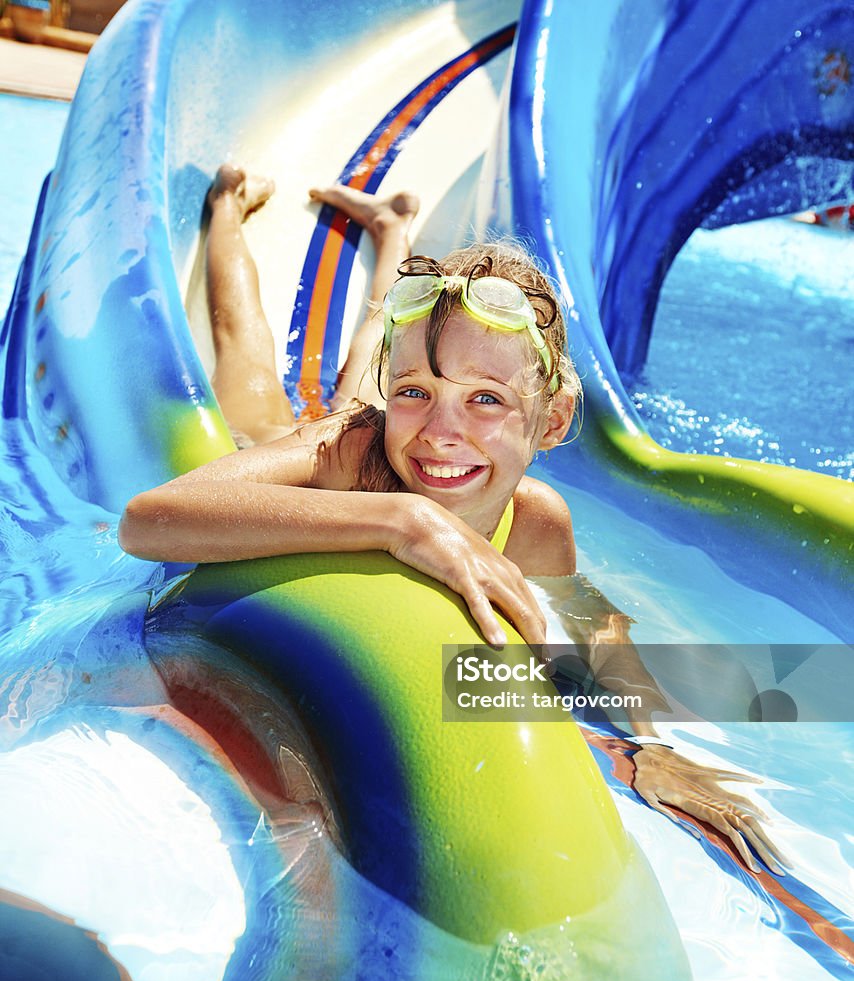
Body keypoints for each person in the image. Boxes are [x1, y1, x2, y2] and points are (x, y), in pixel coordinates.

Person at [119, 166, 786, 875]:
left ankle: (392, 229)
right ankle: (229, 211)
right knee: (249, 374)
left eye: (487, 401)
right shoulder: (349, 453)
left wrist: (649, 749)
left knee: (389, 353)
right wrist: (401, 519)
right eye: (418, 393)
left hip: (376, 425)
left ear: (553, 420)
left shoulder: (536, 522)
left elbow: (595, 629)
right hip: (339, 446)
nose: (442, 433)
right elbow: (147, 522)